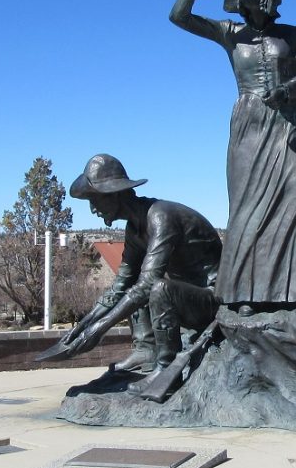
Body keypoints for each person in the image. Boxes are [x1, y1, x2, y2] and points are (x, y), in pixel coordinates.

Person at [170, 0, 296, 311]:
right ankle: (246, 293)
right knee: (248, 208)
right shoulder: (230, 33)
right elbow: (179, 16)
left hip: (285, 122)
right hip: (248, 126)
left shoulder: (291, 35)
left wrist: (290, 90)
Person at [58, 154, 222, 377]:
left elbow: (148, 284)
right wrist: (83, 326)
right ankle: (145, 349)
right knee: (134, 285)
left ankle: (166, 367)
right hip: (182, 297)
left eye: (95, 199)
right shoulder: (134, 229)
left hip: (210, 302)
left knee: (155, 287)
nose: (93, 209)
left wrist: (100, 329)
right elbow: (120, 285)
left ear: (115, 194)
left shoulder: (160, 216)